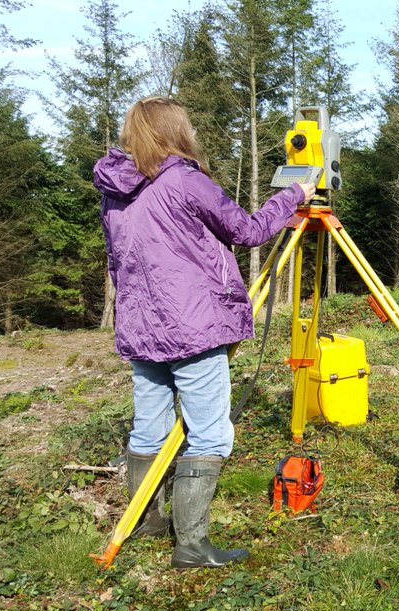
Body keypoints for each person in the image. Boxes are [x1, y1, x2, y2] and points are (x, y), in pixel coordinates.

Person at [93, 97, 316, 568]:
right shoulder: (183, 179)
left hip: (141, 324)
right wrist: (295, 195)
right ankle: (191, 545)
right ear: (177, 130)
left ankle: (147, 519)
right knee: (210, 434)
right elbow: (248, 231)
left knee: (149, 427)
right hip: (192, 326)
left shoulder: (115, 187)